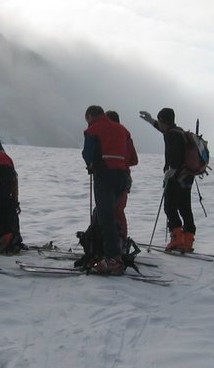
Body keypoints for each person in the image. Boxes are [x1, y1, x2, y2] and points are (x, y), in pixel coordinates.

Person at [82, 105, 138, 274]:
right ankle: (117, 249)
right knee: (114, 214)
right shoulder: (123, 130)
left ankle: (113, 258)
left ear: (91, 116)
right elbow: (132, 158)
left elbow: (87, 154)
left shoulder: (93, 129)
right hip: (122, 176)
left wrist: (91, 165)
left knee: (105, 216)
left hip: (104, 175)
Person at [139, 107, 196, 252]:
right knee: (184, 207)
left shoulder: (171, 135)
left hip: (176, 176)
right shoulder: (179, 131)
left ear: (164, 120)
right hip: (188, 176)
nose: (159, 123)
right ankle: (188, 240)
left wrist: (170, 171)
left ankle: (177, 239)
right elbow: (164, 129)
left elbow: (174, 156)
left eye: (159, 120)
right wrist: (151, 121)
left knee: (169, 206)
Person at [105, 110, 137, 248]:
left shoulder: (106, 136)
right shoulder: (126, 136)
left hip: (107, 178)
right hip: (124, 178)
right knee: (119, 210)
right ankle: (121, 239)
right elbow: (134, 160)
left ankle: (110, 241)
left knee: (108, 210)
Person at [0, 149, 24, 254]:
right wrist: (15, 200)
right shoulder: (8, 159)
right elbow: (15, 182)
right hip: (7, 173)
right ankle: (9, 235)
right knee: (7, 203)